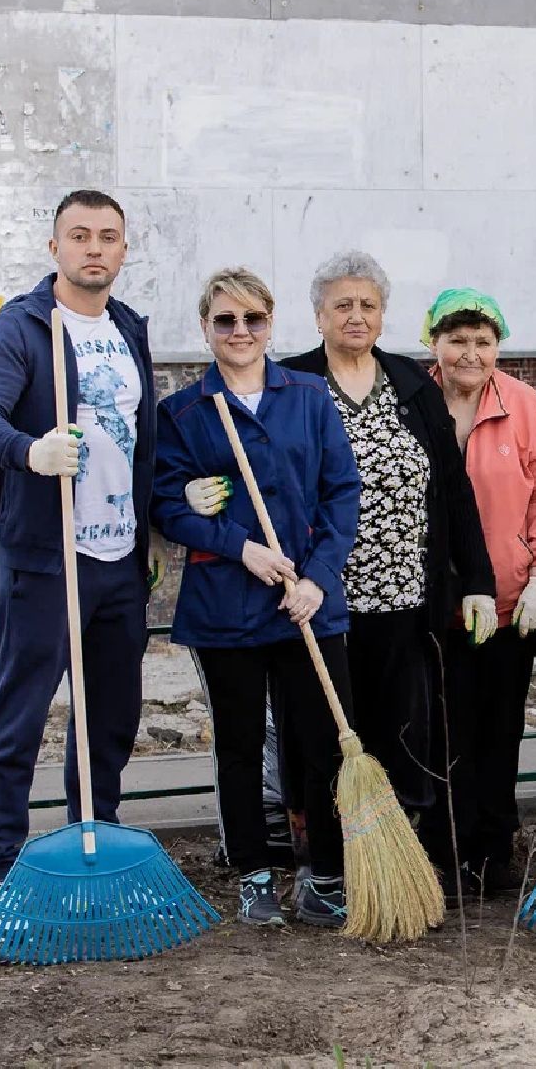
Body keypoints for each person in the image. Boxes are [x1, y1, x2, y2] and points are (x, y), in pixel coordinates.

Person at [0, 189, 161, 922]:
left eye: (108, 236)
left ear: (123, 249)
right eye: (79, 235)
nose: (94, 248)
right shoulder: (20, 330)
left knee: (107, 720)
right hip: (48, 558)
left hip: (117, 559)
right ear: (55, 249)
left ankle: (91, 850)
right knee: (18, 715)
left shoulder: (130, 328)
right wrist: (29, 452)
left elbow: (142, 438)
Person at [152, 268, 360, 928]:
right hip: (227, 606)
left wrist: (317, 578)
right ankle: (255, 876)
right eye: (224, 321)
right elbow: (165, 503)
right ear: (206, 328)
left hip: (306, 605)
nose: (239, 332)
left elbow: (341, 492)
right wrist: (241, 546)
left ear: (271, 323)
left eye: (252, 320)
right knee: (239, 747)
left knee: (321, 743)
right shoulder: (184, 412)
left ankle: (323, 876)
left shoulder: (307, 396)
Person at [277, 252, 496, 856]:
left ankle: (398, 852)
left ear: (383, 315)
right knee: (327, 729)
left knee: (402, 728)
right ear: (318, 315)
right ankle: (326, 853)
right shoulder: (291, 382)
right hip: (324, 595)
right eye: (342, 305)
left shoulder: (410, 385)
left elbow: (453, 487)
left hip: (405, 596)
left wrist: (477, 579)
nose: (356, 315)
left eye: (368, 305)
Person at [420, 287, 536, 898]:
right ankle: (442, 850)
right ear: (435, 342)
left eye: (483, 342)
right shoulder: (412, 398)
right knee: (440, 728)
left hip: (507, 602)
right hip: (430, 602)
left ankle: (492, 851)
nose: (470, 353)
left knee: (499, 729)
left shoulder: (524, 404)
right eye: (457, 340)